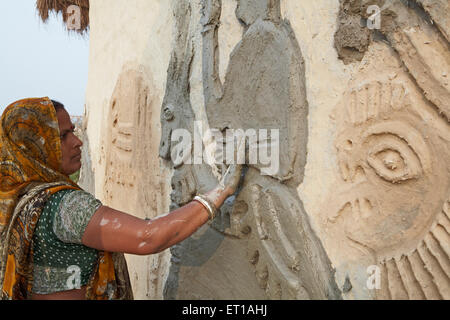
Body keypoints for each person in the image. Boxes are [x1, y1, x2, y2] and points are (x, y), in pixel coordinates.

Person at [0, 97, 244, 300]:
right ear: (33, 146)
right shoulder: (64, 206)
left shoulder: (15, 201)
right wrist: (219, 193)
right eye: (62, 136)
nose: (77, 142)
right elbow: (148, 237)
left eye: (73, 131)